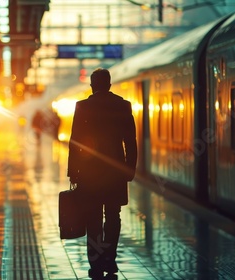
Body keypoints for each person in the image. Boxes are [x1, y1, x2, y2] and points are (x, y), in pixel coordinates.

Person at [67, 68, 137, 279]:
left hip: (90, 173)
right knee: (113, 216)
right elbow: (130, 142)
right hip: (115, 172)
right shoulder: (123, 106)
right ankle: (110, 258)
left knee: (94, 218)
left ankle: (95, 262)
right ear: (109, 84)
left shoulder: (82, 106)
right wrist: (130, 168)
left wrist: (73, 172)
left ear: (92, 85)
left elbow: (75, 142)